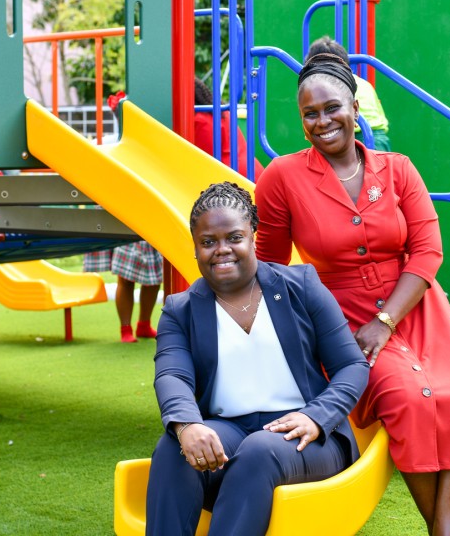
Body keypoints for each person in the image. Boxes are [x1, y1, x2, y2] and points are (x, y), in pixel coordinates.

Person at [254, 53, 450, 535]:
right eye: (310, 113)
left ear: (355, 107)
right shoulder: (282, 177)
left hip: (415, 304)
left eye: (332, 107)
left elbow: (427, 251)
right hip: (341, 315)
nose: (322, 121)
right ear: (301, 121)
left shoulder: (398, 168)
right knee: (406, 397)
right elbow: (271, 264)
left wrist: (385, 320)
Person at [146, 182, 369, 535]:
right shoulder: (180, 309)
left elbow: (352, 365)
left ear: (253, 235)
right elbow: (172, 376)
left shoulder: (302, 285)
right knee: (173, 449)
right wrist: (187, 425)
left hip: (308, 435)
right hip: (228, 428)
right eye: (208, 242)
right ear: (195, 248)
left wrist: (316, 416)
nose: (222, 250)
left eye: (233, 237)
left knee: (259, 450)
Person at [307, 36, 391, 151]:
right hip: (380, 138)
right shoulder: (364, 83)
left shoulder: (332, 87)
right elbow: (380, 114)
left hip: (357, 137)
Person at [83, 241, 161, 343]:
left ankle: (144, 326)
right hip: (130, 234)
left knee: (154, 279)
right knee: (125, 278)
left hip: (153, 233)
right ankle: (126, 330)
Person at [193, 77, 265, 181]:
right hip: (249, 171)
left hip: (235, 178)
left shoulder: (202, 121)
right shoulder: (220, 112)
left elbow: (202, 161)